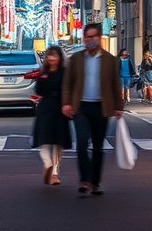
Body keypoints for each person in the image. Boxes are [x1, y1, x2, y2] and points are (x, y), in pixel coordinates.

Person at [62, 22, 124, 195]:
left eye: (93, 37)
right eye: (87, 37)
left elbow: (115, 84)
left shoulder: (110, 59)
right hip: (81, 107)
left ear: (99, 38)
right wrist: (67, 103)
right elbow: (68, 83)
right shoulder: (76, 59)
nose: (90, 40)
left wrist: (119, 107)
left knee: (98, 147)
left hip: (101, 108)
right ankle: (84, 180)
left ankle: (95, 182)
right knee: (81, 144)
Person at [32, 46, 71, 185]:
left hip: (60, 107)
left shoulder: (65, 72)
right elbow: (39, 90)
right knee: (44, 139)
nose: (52, 58)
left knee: (58, 142)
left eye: (55, 56)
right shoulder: (43, 73)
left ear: (60, 58)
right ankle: (47, 164)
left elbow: (68, 88)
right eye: (50, 56)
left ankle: (54, 172)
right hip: (45, 106)